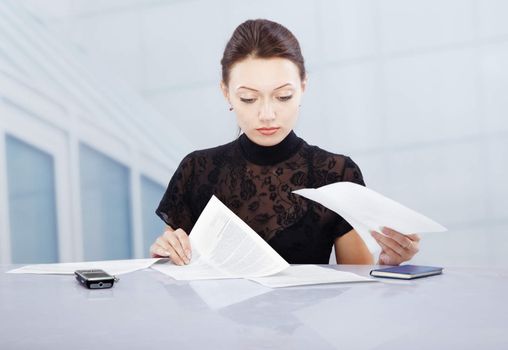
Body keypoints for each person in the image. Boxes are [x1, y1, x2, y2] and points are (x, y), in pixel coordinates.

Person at [150, 19, 420, 266]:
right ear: (226, 93)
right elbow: (176, 275)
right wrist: (164, 255)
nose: (267, 114)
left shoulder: (337, 173)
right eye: (248, 98)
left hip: (314, 320)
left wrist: (388, 264)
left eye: (283, 96)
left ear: (303, 87)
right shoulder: (196, 170)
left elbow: (358, 284)